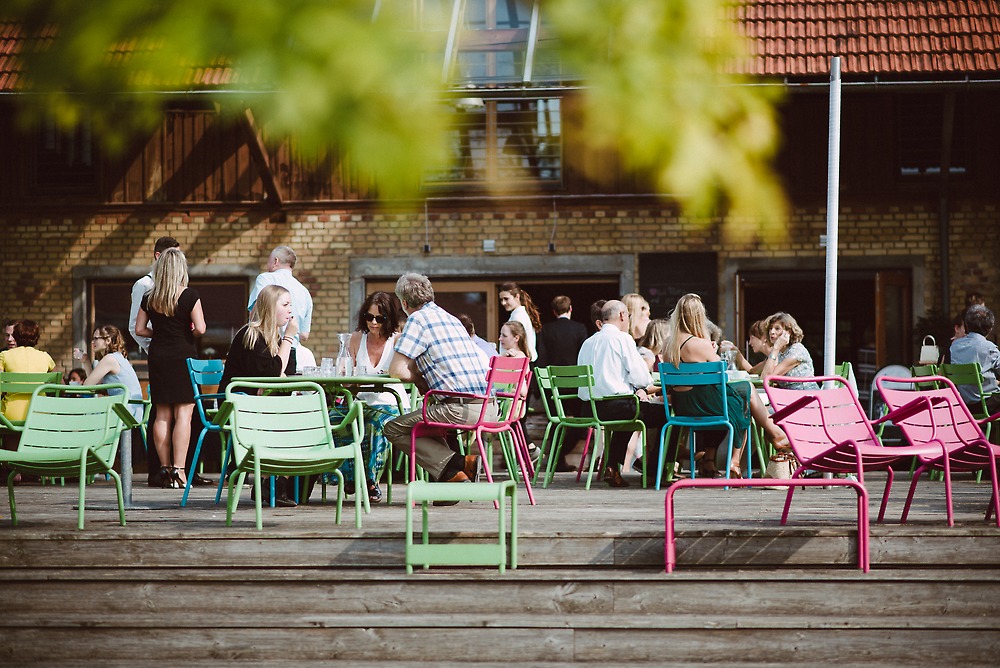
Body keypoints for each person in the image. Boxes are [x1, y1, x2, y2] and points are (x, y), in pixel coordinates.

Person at [383, 273, 491, 501]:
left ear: (404, 303)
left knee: (393, 428)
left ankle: (461, 464)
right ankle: (452, 479)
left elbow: (397, 371)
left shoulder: (417, 320)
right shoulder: (450, 318)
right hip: (488, 405)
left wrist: (419, 380)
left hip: (462, 408)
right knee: (429, 421)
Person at [664, 294, 790, 477]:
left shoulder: (668, 345)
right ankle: (757, 445)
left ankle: (712, 461)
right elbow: (721, 374)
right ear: (699, 317)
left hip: (681, 407)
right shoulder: (701, 344)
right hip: (706, 406)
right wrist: (711, 349)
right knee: (744, 396)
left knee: (741, 395)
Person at [217, 285, 298, 507]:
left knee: (298, 419)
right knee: (288, 420)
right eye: (285, 304)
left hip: (258, 402)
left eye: (291, 304)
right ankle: (270, 483)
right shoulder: (251, 334)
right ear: (271, 308)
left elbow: (286, 375)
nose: (291, 310)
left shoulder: (275, 338)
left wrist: (284, 345)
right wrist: (289, 339)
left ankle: (274, 483)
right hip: (237, 403)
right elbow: (273, 373)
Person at [135, 248, 207, 490]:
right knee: (184, 414)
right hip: (183, 354)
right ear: (180, 269)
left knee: (162, 414)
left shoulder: (150, 296)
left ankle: (164, 469)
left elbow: (140, 330)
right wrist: (185, 332)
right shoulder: (189, 295)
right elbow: (201, 329)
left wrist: (161, 333)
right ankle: (180, 470)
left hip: (158, 356)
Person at [577, 299, 666, 488]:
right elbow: (642, 379)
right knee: (667, 416)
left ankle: (612, 466)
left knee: (628, 410)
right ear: (622, 316)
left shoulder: (587, 342)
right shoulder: (622, 338)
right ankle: (655, 472)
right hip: (617, 408)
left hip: (589, 410)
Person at [329, 291, 406, 504]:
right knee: (333, 419)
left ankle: (371, 480)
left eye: (379, 318)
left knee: (376, 423)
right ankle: (351, 477)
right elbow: (347, 381)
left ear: (389, 318)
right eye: (369, 317)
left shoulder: (398, 341)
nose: (373, 322)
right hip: (361, 401)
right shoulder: (355, 339)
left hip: (390, 403)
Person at [129, 236, 180, 487]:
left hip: (170, 356)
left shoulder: (178, 288)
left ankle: (179, 469)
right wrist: (158, 348)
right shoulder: (145, 285)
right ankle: (157, 471)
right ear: (159, 257)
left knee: (180, 415)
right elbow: (134, 327)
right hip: (160, 356)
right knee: (161, 413)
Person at [539, 296, 590, 472]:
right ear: (570, 309)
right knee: (582, 423)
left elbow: (542, 358)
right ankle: (558, 457)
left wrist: (541, 387)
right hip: (576, 385)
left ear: (554, 312)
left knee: (554, 424)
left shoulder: (546, 330)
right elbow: (583, 357)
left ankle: (556, 459)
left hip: (553, 385)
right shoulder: (579, 328)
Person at [248, 245, 313, 375]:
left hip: (268, 349)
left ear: (276, 261)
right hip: (294, 352)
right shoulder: (304, 292)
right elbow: (304, 334)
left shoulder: (265, 279)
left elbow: (254, 315)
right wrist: (290, 332)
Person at [81, 326, 144, 421]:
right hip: (131, 410)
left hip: (125, 412)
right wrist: (85, 361)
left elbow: (87, 386)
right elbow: (95, 384)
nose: (93, 342)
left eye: (96, 338)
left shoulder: (109, 359)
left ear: (108, 340)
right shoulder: (118, 357)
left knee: (84, 415)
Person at [0, 319, 56, 425]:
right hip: (40, 413)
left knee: (10, 438)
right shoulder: (46, 357)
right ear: (37, 338)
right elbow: (60, 386)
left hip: (10, 417)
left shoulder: (4, 355)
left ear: (16, 337)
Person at [949, 304, 1000, 414]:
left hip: (964, 406)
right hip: (987, 404)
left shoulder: (954, 347)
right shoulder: (990, 348)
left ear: (966, 325)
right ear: (990, 328)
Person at [760, 312, 819, 390]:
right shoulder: (779, 353)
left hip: (807, 396)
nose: (772, 332)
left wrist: (775, 348)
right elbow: (763, 378)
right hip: (788, 397)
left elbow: (768, 377)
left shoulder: (797, 350)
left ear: (788, 332)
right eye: (770, 328)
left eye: (777, 328)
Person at [498, 282, 541, 362]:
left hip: (517, 362)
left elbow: (517, 345)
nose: (503, 303)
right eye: (501, 299)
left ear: (517, 296)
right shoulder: (518, 314)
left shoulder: (519, 316)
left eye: (506, 299)